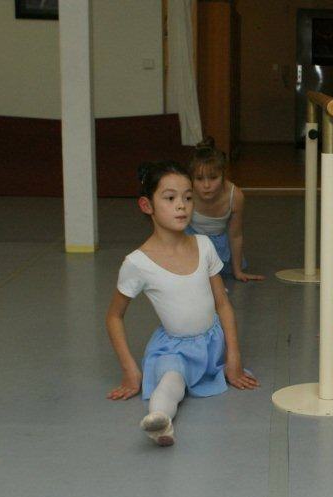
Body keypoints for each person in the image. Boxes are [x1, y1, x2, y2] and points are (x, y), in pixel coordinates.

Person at [106, 161, 258, 446]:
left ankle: (165, 414)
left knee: (180, 380)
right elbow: (114, 316)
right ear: (146, 205)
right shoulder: (137, 263)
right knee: (171, 382)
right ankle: (160, 421)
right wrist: (130, 371)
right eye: (170, 198)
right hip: (173, 348)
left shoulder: (203, 245)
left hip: (213, 345)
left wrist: (234, 358)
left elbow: (223, 305)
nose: (182, 206)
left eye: (188, 198)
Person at [186, 138, 264, 282]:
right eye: (199, 179)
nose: (206, 185)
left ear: (223, 175)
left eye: (213, 178)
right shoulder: (186, 192)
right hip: (188, 241)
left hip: (217, 245)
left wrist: (238, 271)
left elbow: (235, 236)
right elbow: (171, 227)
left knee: (215, 273)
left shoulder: (235, 196)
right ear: (191, 178)